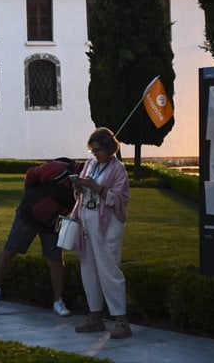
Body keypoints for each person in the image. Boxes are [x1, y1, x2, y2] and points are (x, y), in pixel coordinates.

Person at [0, 157, 79, 316]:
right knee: (11, 248)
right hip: (29, 214)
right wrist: (34, 200)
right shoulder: (58, 169)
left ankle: (58, 301)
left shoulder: (83, 186)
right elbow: (30, 176)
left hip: (53, 220)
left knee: (55, 258)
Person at [72, 127, 132, 338]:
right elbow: (79, 192)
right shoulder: (90, 164)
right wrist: (79, 185)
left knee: (108, 268)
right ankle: (95, 316)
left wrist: (97, 188)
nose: (94, 153)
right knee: (88, 267)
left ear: (108, 149)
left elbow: (121, 198)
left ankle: (121, 320)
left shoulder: (118, 170)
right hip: (87, 220)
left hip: (107, 223)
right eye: (92, 150)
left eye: (97, 149)